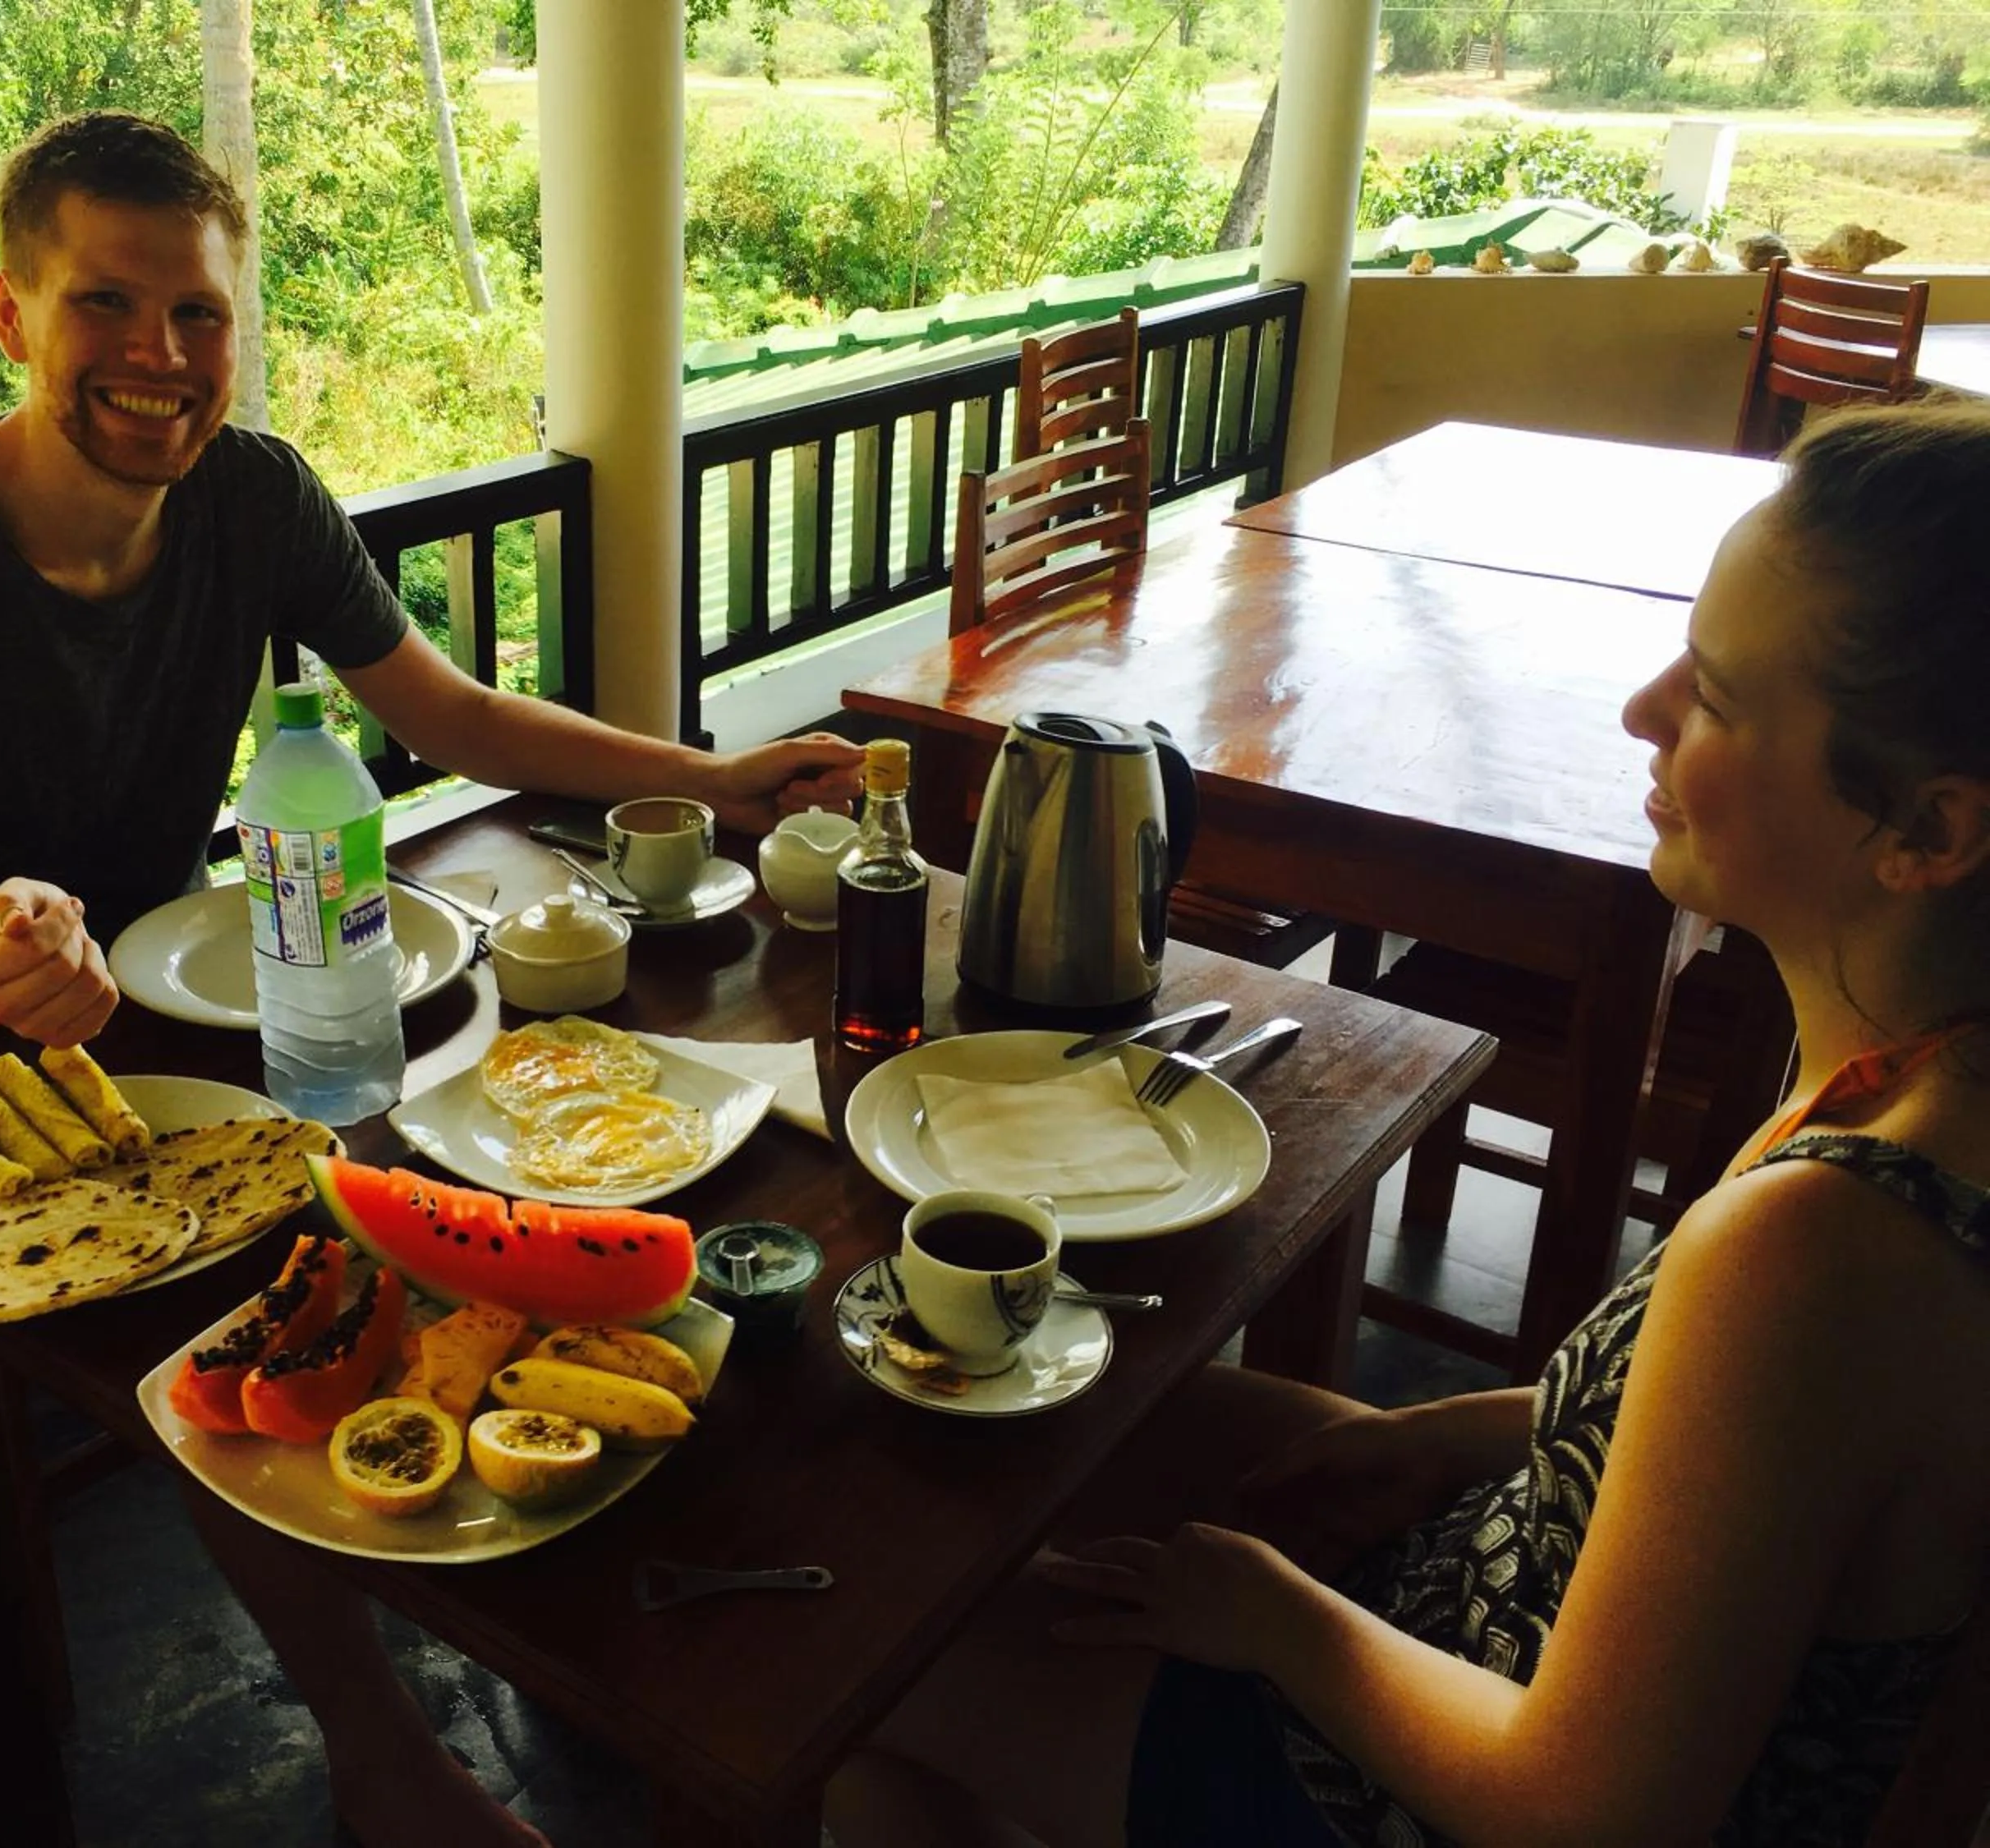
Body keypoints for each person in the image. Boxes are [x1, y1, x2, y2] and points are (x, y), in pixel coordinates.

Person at [825, 402, 1990, 1848]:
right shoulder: (1921, 1086)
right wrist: (1463, 1432)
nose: (1644, 711)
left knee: (862, 1655)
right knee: (1029, 1435)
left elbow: (1584, 1815)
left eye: (1715, 695)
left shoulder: (1820, 1246)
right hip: (1500, 1583)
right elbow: (1758, 1461)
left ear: (1930, 834)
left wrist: (1279, 1619)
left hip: (1442, 1783)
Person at [0, 109, 861, 1048]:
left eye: (198, 312)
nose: (159, 354)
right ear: (12, 318)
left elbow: (456, 718)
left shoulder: (255, 494)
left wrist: (712, 780)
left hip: (179, 1000)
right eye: (105, 302)